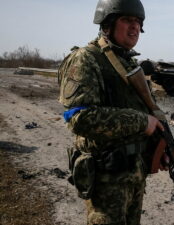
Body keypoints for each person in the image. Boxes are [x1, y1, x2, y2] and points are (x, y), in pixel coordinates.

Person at [58, 0, 165, 224]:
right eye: (127, 20)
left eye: (138, 22)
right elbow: (79, 118)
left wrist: (158, 146)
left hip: (134, 174)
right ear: (107, 24)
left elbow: (146, 111)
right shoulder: (86, 58)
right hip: (106, 178)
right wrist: (140, 121)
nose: (135, 27)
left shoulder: (128, 63)